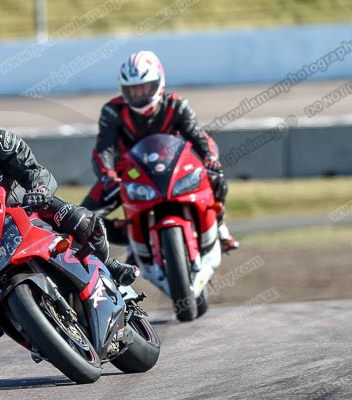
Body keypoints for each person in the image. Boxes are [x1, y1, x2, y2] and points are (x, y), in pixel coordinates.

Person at [0, 98, 138, 327]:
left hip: (26, 210)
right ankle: (31, 332)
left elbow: (34, 171)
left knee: (80, 220)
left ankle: (109, 265)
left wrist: (38, 191)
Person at [81, 50, 239, 252]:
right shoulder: (112, 111)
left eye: (144, 88)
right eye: (133, 90)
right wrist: (108, 175)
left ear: (158, 83)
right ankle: (128, 233)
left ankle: (218, 225)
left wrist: (210, 158)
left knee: (216, 177)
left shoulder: (177, 104)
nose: (139, 95)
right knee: (82, 217)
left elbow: (198, 136)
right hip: (129, 173)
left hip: (173, 167)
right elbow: (104, 149)